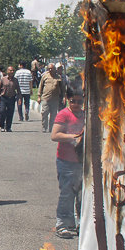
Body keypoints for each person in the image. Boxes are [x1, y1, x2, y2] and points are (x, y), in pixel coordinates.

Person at [51, 81, 85, 238]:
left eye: (80, 101)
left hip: (81, 162)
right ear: (67, 99)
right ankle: (62, 224)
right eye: (73, 101)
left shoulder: (85, 114)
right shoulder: (64, 114)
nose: (77, 105)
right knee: (67, 193)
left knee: (81, 195)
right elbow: (55, 135)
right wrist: (74, 137)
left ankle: (79, 224)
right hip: (66, 162)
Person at [38, 63, 66, 133]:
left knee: (53, 114)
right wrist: (39, 96)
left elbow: (63, 89)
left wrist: (64, 97)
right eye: (49, 69)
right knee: (44, 113)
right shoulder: (45, 76)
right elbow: (40, 86)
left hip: (55, 99)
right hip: (46, 98)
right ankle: (44, 127)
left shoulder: (58, 77)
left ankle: (51, 128)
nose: (50, 70)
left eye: (52, 69)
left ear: (54, 69)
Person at [0, 65, 19, 132]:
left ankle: (8, 127)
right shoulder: (3, 79)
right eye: (10, 70)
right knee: (2, 111)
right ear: (7, 71)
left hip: (11, 98)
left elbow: (18, 90)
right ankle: (2, 125)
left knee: (10, 113)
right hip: (4, 98)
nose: (12, 72)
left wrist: (20, 99)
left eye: (13, 70)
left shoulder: (15, 80)